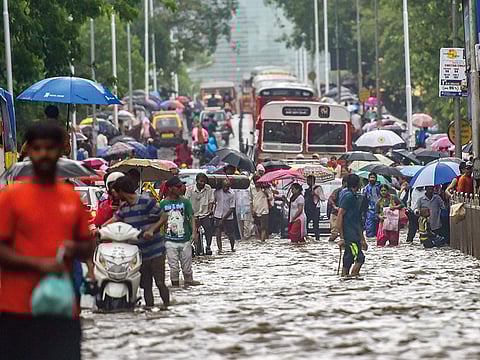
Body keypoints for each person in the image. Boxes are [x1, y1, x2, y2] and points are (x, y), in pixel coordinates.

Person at [0, 121, 94, 360]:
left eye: (50, 148)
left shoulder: (71, 199)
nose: (44, 154)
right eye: (37, 148)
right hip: (17, 310)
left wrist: (75, 248)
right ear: (29, 151)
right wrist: (39, 265)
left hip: (62, 311)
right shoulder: (10, 198)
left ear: (60, 150)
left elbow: (87, 246)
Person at [104, 176, 170, 308]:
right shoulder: (124, 208)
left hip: (156, 250)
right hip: (139, 253)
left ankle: (167, 306)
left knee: (160, 282)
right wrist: (99, 229)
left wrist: (152, 230)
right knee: (146, 285)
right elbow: (114, 220)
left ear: (122, 191)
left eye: (116, 191)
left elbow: (164, 216)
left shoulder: (146, 201)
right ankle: (150, 308)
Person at [146, 176, 196, 286]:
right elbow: (159, 220)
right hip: (169, 240)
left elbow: (191, 217)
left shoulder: (185, 202)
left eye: (181, 186)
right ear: (171, 189)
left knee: (187, 269)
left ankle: (189, 289)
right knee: (174, 269)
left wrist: (194, 233)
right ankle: (176, 289)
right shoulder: (163, 203)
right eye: (178, 186)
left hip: (185, 239)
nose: (181, 188)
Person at [337, 174, 368, 277]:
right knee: (359, 258)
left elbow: (357, 220)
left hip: (354, 234)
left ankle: (345, 281)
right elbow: (340, 215)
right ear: (358, 184)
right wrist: (341, 237)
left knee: (348, 259)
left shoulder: (354, 196)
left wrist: (362, 239)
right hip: (350, 236)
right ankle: (354, 279)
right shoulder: (348, 196)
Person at [185, 173, 215, 256]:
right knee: (190, 231)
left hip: (205, 214)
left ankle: (208, 246)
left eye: (204, 181)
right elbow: (186, 202)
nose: (202, 183)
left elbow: (211, 201)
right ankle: (191, 246)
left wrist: (210, 210)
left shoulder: (208, 188)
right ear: (197, 181)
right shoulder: (190, 189)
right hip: (192, 214)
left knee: (208, 228)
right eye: (201, 181)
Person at [214, 179, 236, 252]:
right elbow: (214, 201)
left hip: (228, 216)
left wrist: (223, 219)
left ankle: (232, 247)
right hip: (218, 214)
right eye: (224, 187)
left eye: (227, 187)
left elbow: (232, 208)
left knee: (230, 233)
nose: (225, 188)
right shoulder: (217, 192)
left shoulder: (232, 194)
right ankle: (220, 249)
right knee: (218, 232)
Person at [250, 175, 273, 242]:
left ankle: (262, 241)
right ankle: (262, 239)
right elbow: (251, 200)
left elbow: (271, 198)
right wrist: (252, 210)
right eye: (255, 182)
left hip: (264, 211)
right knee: (258, 227)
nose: (256, 183)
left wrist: (265, 192)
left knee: (263, 227)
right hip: (256, 211)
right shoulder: (252, 189)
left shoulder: (266, 189)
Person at [304, 175, 326, 241]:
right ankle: (306, 237)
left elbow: (323, 199)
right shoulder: (307, 189)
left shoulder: (318, 188)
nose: (308, 182)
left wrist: (315, 194)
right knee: (306, 223)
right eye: (307, 180)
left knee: (315, 225)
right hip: (307, 208)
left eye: (309, 180)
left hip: (315, 208)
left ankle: (317, 238)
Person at [362, 172, 381, 240]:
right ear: (368, 178)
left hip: (379, 210)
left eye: (373, 177)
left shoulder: (379, 187)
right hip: (369, 210)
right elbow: (363, 200)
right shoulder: (365, 188)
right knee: (369, 228)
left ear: (376, 179)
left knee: (379, 228)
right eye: (371, 177)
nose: (372, 179)